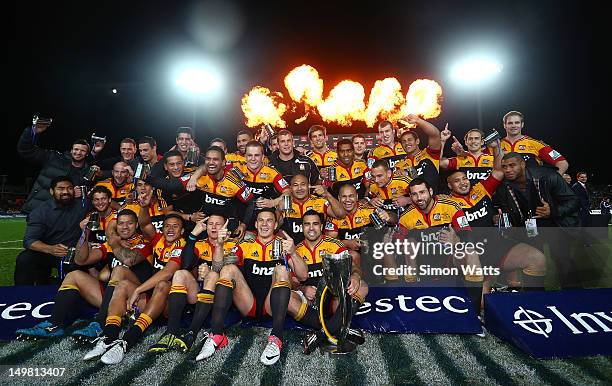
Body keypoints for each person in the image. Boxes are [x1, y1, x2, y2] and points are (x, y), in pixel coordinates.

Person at [14, 208, 151, 341]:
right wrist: (85, 234)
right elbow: (81, 259)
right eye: (121, 223)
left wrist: (114, 243)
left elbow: (129, 260)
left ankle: (100, 323)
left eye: (129, 223)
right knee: (74, 275)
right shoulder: (110, 244)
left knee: (119, 270)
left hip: (137, 298)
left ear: (137, 225)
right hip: (112, 298)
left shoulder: (144, 241)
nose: (124, 227)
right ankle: (54, 325)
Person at [196, 209, 308, 365]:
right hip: (249, 304)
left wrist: (294, 253)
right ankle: (217, 334)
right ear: (255, 224)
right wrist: (220, 245)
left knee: (282, 270)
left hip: (272, 307)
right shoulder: (245, 246)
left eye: (269, 220)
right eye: (261, 220)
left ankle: (276, 337)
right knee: (228, 269)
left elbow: (303, 276)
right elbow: (217, 269)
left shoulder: (283, 246)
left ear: (275, 224)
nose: (264, 224)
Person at [84, 211, 186, 365]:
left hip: (169, 304)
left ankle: (127, 341)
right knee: (123, 284)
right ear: (162, 229)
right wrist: (144, 205)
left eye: (175, 226)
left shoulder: (183, 245)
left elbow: (167, 273)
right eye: (167, 226)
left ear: (182, 231)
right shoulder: (158, 240)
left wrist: (138, 290)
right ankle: (108, 336)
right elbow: (145, 223)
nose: (170, 229)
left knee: (163, 284)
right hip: (151, 302)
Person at [446, 140, 546, 294]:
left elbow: (499, 171)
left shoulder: (481, 189)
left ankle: (534, 304)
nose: (463, 183)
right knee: (482, 302)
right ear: (449, 185)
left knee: (537, 258)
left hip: (495, 244)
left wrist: (496, 148)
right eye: (456, 181)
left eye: (464, 179)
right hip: (470, 251)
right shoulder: (445, 202)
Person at [149, 215, 234, 353]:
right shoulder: (200, 244)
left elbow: (229, 272)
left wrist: (211, 271)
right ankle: (171, 332)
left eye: (218, 224)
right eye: (210, 223)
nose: (213, 226)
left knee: (212, 275)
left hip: (222, 300)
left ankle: (191, 333)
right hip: (199, 297)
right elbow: (186, 264)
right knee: (180, 274)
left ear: (226, 227)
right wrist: (193, 235)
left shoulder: (234, 244)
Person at [289, 210, 369, 353]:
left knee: (362, 286)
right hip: (310, 303)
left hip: (334, 300)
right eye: (307, 224)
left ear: (321, 226)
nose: (311, 228)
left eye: (315, 224)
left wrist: (355, 277)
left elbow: (354, 268)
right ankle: (339, 328)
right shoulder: (296, 250)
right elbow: (293, 282)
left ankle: (321, 334)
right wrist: (303, 289)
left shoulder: (334, 245)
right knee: (287, 297)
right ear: (302, 227)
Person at [497, 152, 580, 287]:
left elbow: (573, 201)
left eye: (512, 165)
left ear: (523, 164)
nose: (508, 170)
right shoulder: (504, 187)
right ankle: (536, 299)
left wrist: (553, 211)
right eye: (504, 167)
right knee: (533, 263)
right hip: (529, 230)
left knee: (563, 260)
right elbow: (508, 211)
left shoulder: (548, 176)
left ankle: (574, 297)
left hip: (555, 225)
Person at [15, 176, 89, 285]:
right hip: (48, 251)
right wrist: (50, 249)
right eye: (60, 188)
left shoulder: (83, 205)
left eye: (69, 188)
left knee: (78, 268)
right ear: (51, 191)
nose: (66, 192)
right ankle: (22, 294)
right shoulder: (40, 212)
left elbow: (103, 203)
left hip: (73, 253)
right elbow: (29, 241)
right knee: (25, 258)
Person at [17, 119, 96, 213]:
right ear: (71, 150)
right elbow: (26, 150)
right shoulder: (53, 157)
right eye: (76, 149)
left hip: (62, 214)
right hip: (36, 209)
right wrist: (32, 132)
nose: (78, 152)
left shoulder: (88, 172)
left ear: (87, 154)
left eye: (82, 151)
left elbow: (86, 194)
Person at [280, 174, 345, 244]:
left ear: (309, 186)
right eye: (295, 185)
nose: (299, 188)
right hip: (291, 248)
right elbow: (274, 228)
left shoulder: (320, 201)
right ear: (290, 188)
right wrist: (278, 210)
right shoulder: (285, 204)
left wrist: (327, 194)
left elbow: (341, 215)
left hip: (317, 248)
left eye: (303, 184)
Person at [498, 111, 569, 174]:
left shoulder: (536, 144)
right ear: (505, 125)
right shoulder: (496, 146)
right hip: (504, 187)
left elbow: (562, 162)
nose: (514, 126)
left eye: (517, 122)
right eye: (510, 123)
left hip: (530, 188)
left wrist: (554, 181)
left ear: (522, 124)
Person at [393, 114, 443, 191]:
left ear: (417, 141)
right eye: (403, 141)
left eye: (410, 140)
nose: (407, 143)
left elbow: (435, 134)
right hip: (411, 199)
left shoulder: (429, 153)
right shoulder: (399, 165)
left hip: (433, 198)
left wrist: (418, 121)